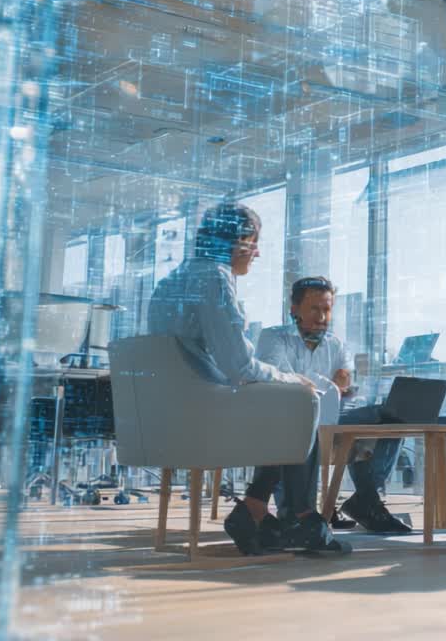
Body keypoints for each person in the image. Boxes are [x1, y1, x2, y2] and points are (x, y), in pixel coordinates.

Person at [146, 202, 345, 556]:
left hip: (175, 410)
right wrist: (291, 379)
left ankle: (254, 510)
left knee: (288, 404)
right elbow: (240, 366)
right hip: (203, 412)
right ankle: (300, 518)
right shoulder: (215, 279)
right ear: (237, 240)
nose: (256, 252)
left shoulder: (171, 280)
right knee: (302, 401)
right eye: (254, 241)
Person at [256, 276, 411, 533]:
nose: (322, 317)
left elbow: (345, 384)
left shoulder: (335, 344)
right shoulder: (273, 338)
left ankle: (367, 499)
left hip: (332, 419)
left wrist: (343, 386)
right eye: (315, 309)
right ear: (294, 309)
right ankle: (301, 512)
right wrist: (329, 385)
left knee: (393, 418)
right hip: (289, 422)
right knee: (308, 424)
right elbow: (280, 379)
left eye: (327, 310)